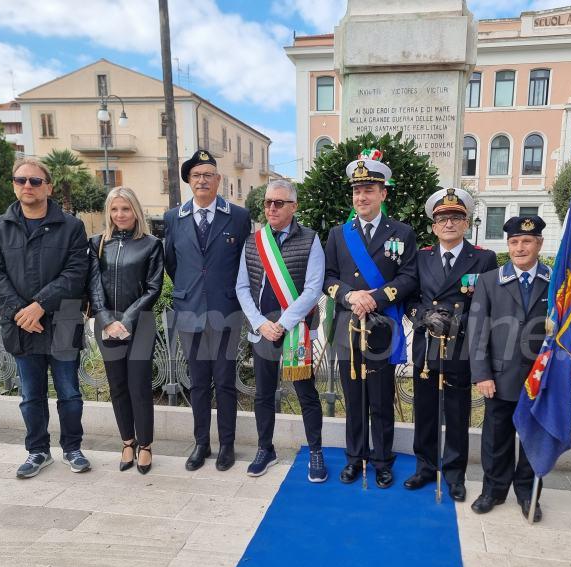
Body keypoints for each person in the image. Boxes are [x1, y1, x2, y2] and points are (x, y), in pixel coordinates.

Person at [0, 158, 90, 478]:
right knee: (31, 395)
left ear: (48, 186)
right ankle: (37, 451)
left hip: (63, 319)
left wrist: (40, 304)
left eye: (34, 181)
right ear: (13, 185)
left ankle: (72, 448)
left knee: (69, 392)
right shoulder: (0, 226)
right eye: (20, 181)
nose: (27, 186)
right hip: (21, 325)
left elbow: (76, 273)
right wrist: (21, 311)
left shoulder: (71, 226)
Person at [323, 154, 417, 488]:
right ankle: (355, 458)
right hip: (349, 327)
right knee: (354, 400)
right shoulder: (338, 233)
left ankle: (382, 460)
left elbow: (409, 277)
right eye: (357, 190)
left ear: (383, 194)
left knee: (380, 398)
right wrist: (350, 296)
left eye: (369, 189)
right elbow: (328, 277)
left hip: (381, 327)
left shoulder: (402, 232)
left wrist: (374, 297)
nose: (361, 196)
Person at [404, 188, 497, 502]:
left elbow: (487, 303)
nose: (449, 223)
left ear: (466, 223)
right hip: (427, 344)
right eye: (442, 218)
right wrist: (425, 315)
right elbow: (409, 299)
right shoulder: (420, 257)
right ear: (433, 225)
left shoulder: (483, 259)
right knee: (425, 410)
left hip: (460, 344)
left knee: (457, 412)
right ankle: (425, 467)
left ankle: (455, 474)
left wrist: (457, 321)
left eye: (456, 217)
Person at [163, 149, 252, 472]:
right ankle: (202, 443)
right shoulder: (174, 218)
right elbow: (172, 263)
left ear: (218, 181)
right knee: (198, 382)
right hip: (189, 310)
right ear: (189, 181)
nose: (202, 180)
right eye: (196, 175)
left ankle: (227, 444)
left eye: (208, 175)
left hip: (226, 308)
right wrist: (190, 291)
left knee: (226, 381)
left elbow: (246, 262)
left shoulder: (239, 217)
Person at [235, 180, 327, 481]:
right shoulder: (254, 241)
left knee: (306, 394)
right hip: (263, 331)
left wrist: (283, 323)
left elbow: (313, 289)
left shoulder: (311, 239)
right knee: (263, 394)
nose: (271, 208)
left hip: (295, 331)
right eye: (268, 203)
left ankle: (315, 451)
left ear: (294, 206)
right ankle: (265, 449)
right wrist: (261, 323)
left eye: (279, 203)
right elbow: (242, 287)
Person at [467, 214, 550, 521]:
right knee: (495, 437)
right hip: (500, 376)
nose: (519, 248)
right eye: (514, 242)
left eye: (527, 241)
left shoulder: (554, 281)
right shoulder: (491, 280)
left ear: (539, 243)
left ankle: (528, 492)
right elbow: (478, 330)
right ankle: (493, 489)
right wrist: (482, 374)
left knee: (532, 437)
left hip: (539, 378)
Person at [88, 187, 164, 474]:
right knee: (117, 386)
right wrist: (107, 319)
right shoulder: (96, 243)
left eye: (126, 209)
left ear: (136, 211)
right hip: (106, 324)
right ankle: (127, 442)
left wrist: (127, 319)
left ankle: (145, 446)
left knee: (139, 387)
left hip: (140, 324)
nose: (120, 214)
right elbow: (93, 286)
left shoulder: (151, 244)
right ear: (109, 212)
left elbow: (154, 288)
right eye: (115, 209)